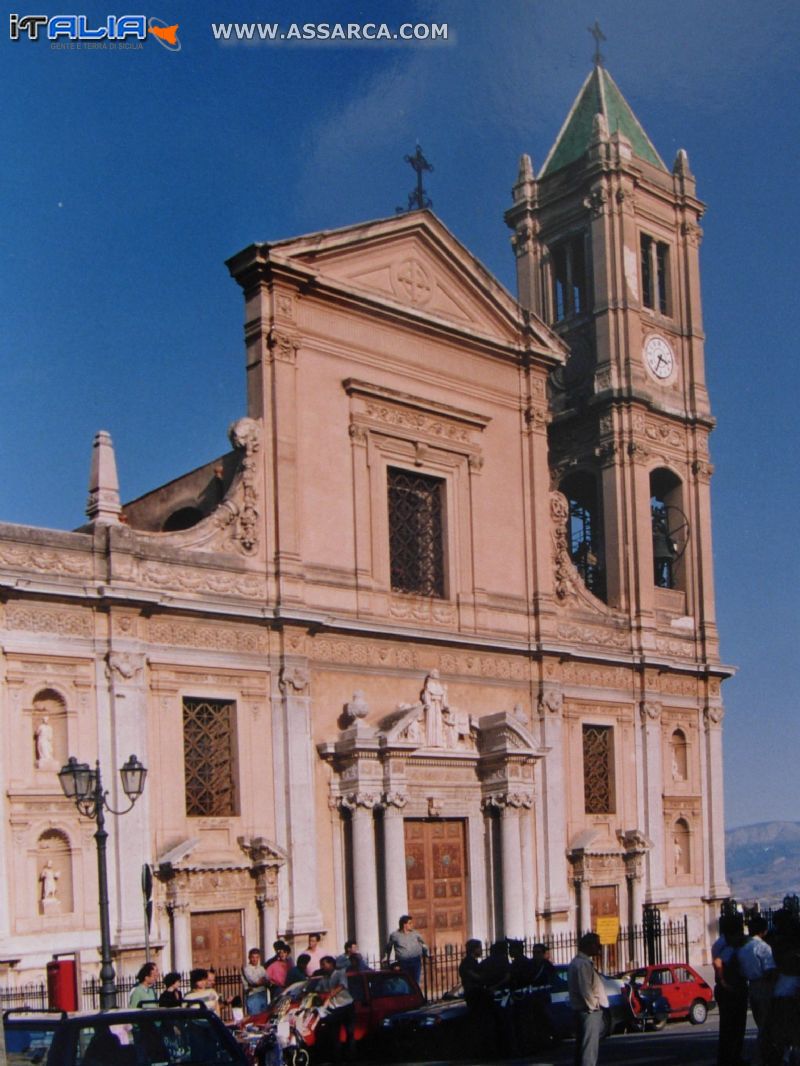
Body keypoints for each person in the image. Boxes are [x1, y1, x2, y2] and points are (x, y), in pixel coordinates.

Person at [712, 913, 748, 1066]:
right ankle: (732, 1058)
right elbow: (719, 962)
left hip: (727, 988)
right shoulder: (726, 946)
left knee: (729, 1026)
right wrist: (724, 982)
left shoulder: (722, 943)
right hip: (731, 988)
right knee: (734, 1026)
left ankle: (730, 1057)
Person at [568, 932, 608, 1066]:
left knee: (582, 1047)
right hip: (588, 1011)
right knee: (589, 1049)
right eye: (597, 944)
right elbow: (585, 988)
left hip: (582, 1010)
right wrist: (594, 1006)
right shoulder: (583, 964)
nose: (599, 947)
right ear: (589, 945)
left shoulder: (578, 962)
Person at [739, 915, 776, 1061]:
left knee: (760, 1021)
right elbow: (769, 970)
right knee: (767, 1023)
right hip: (764, 985)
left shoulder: (743, 947)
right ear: (764, 931)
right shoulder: (763, 947)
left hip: (752, 985)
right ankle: (765, 1055)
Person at [315, 955, 355, 1062]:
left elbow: (342, 986)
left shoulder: (340, 973)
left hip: (346, 1006)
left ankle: (350, 1057)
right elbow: (318, 989)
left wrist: (330, 994)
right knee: (334, 1034)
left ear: (331, 964)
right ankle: (337, 1059)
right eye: (321, 965)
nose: (322, 967)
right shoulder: (324, 979)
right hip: (334, 1008)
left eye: (324, 964)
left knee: (349, 1033)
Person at [384, 915, 427, 984]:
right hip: (403, 962)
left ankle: (415, 994)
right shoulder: (395, 935)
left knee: (415, 982)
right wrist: (387, 957)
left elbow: (423, 944)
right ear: (404, 924)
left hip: (415, 961)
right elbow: (389, 947)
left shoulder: (415, 934)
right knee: (406, 982)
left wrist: (427, 953)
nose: (412, 925)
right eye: (410, 923)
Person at [242, 947, 268, 1015]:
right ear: (249, 958)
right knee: (255, 1019)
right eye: (253, 957)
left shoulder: (261, 968)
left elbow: (268, 979)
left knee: (263, 1018)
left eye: (257, 957)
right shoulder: (247, 969)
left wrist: (263, 980)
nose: (255, 959)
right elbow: (255, 981)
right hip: (253, 996)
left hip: (263, 994)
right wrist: (262, 980)